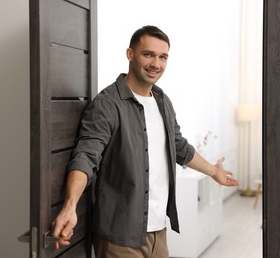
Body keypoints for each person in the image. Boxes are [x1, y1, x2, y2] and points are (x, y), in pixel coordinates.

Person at [52, 25, 239, 258]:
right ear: (130, 54)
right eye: (148, 54)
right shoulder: (107, 104)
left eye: (163, 57)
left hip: (158, 232)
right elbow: (86, 156)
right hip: (119, 236)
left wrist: (213, 171)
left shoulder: (162, 101)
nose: (156, 64)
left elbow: (179, 147)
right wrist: (70, 206)